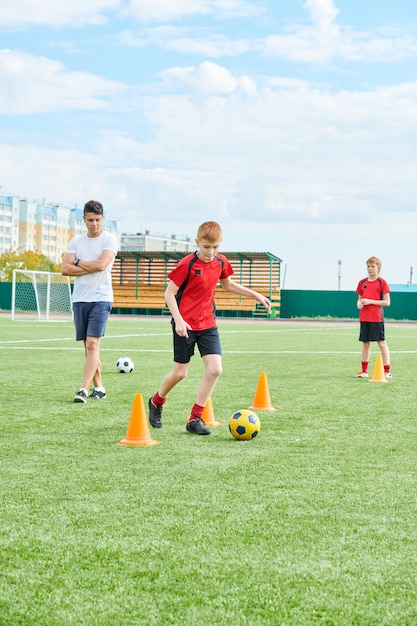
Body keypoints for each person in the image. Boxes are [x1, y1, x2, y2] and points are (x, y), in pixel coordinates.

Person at [148, 220, 271, 435]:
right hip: (184, 325)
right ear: (197, 243)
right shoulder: (187, 264)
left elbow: (228, 285)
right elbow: (169, 293)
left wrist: (257, 295)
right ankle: (156, 402)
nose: (210, 252)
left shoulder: (221, 262)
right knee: (180, 374)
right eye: (206, 247)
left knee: (215, 369)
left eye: (215, 247)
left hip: (208, 323)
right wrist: (178, 320)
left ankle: (195, 418)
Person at [62, 200, 118, 402]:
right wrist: (87, 266)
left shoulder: (109, 240)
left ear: (103, 219)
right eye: (90, 220)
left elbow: (102, 265)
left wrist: (77, 262)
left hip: (101, 298)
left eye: (97, 220)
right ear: (84, 219)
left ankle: (83, 390)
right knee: (88, 347)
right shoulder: (76, 242)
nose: (94, 223)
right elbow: (65, 269)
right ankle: (99, 388)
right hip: (79, 299)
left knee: (93, 344)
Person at [355, 256, 392, 380]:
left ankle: (387, 371)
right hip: (364, 318)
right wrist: (359, 304)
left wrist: (370, 301)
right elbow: (359, 300)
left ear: (378, 268)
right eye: (368, 267)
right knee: (365, 344)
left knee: (381, 343)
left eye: (373, 266)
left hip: (376, 318)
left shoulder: (382, 283)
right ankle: (364, 371)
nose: (370, 269)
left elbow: (387, 302)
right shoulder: (362, 282)